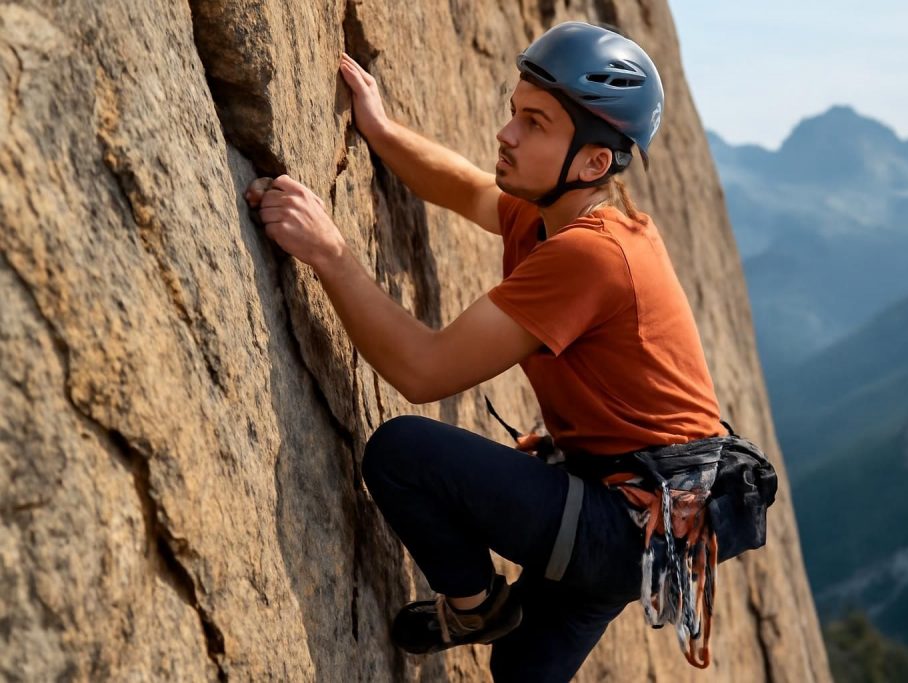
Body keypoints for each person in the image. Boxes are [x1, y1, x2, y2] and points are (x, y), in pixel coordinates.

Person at [245, 21, 726, 682]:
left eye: (535, 123)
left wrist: (329, 253)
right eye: (513, 113)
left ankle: (474, 608)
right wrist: (380, 131)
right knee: (525, 666)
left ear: (592, 161)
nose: (506, 135)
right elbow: (468, 188)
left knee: (404, 454)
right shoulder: (564, 215)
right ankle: (496, 622)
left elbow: (424, 370)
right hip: (656, 518)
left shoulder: (592, 256)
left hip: (626, 522)